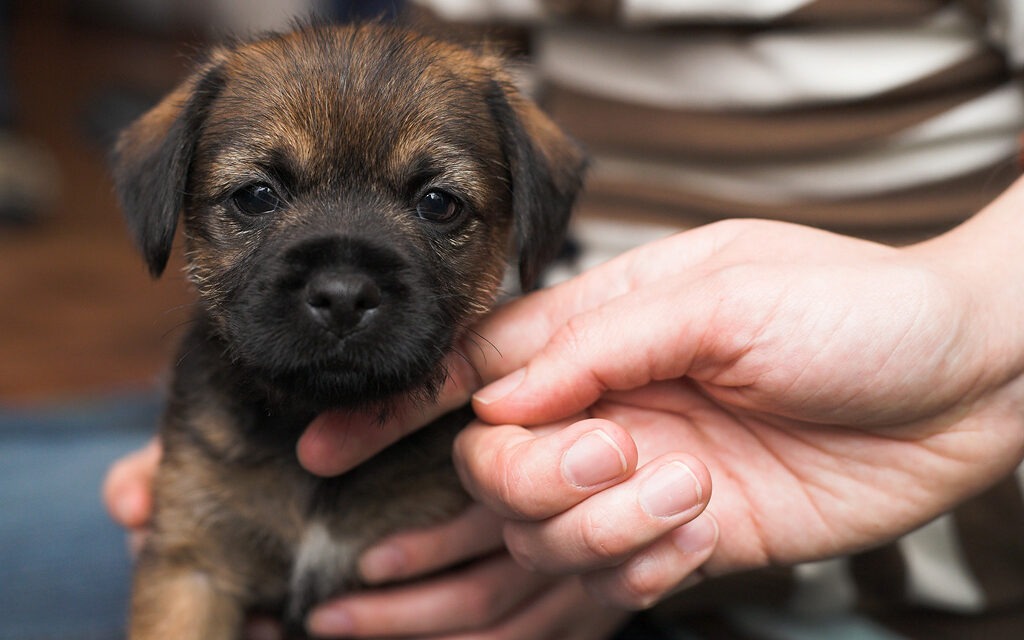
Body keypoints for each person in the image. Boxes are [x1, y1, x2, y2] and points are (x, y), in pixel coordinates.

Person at [106, 2, 1024, 638]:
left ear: (525, 226)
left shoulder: (501, 426)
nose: (341, 285)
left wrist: (974, 320)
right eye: (255, 198)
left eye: (437, 207)